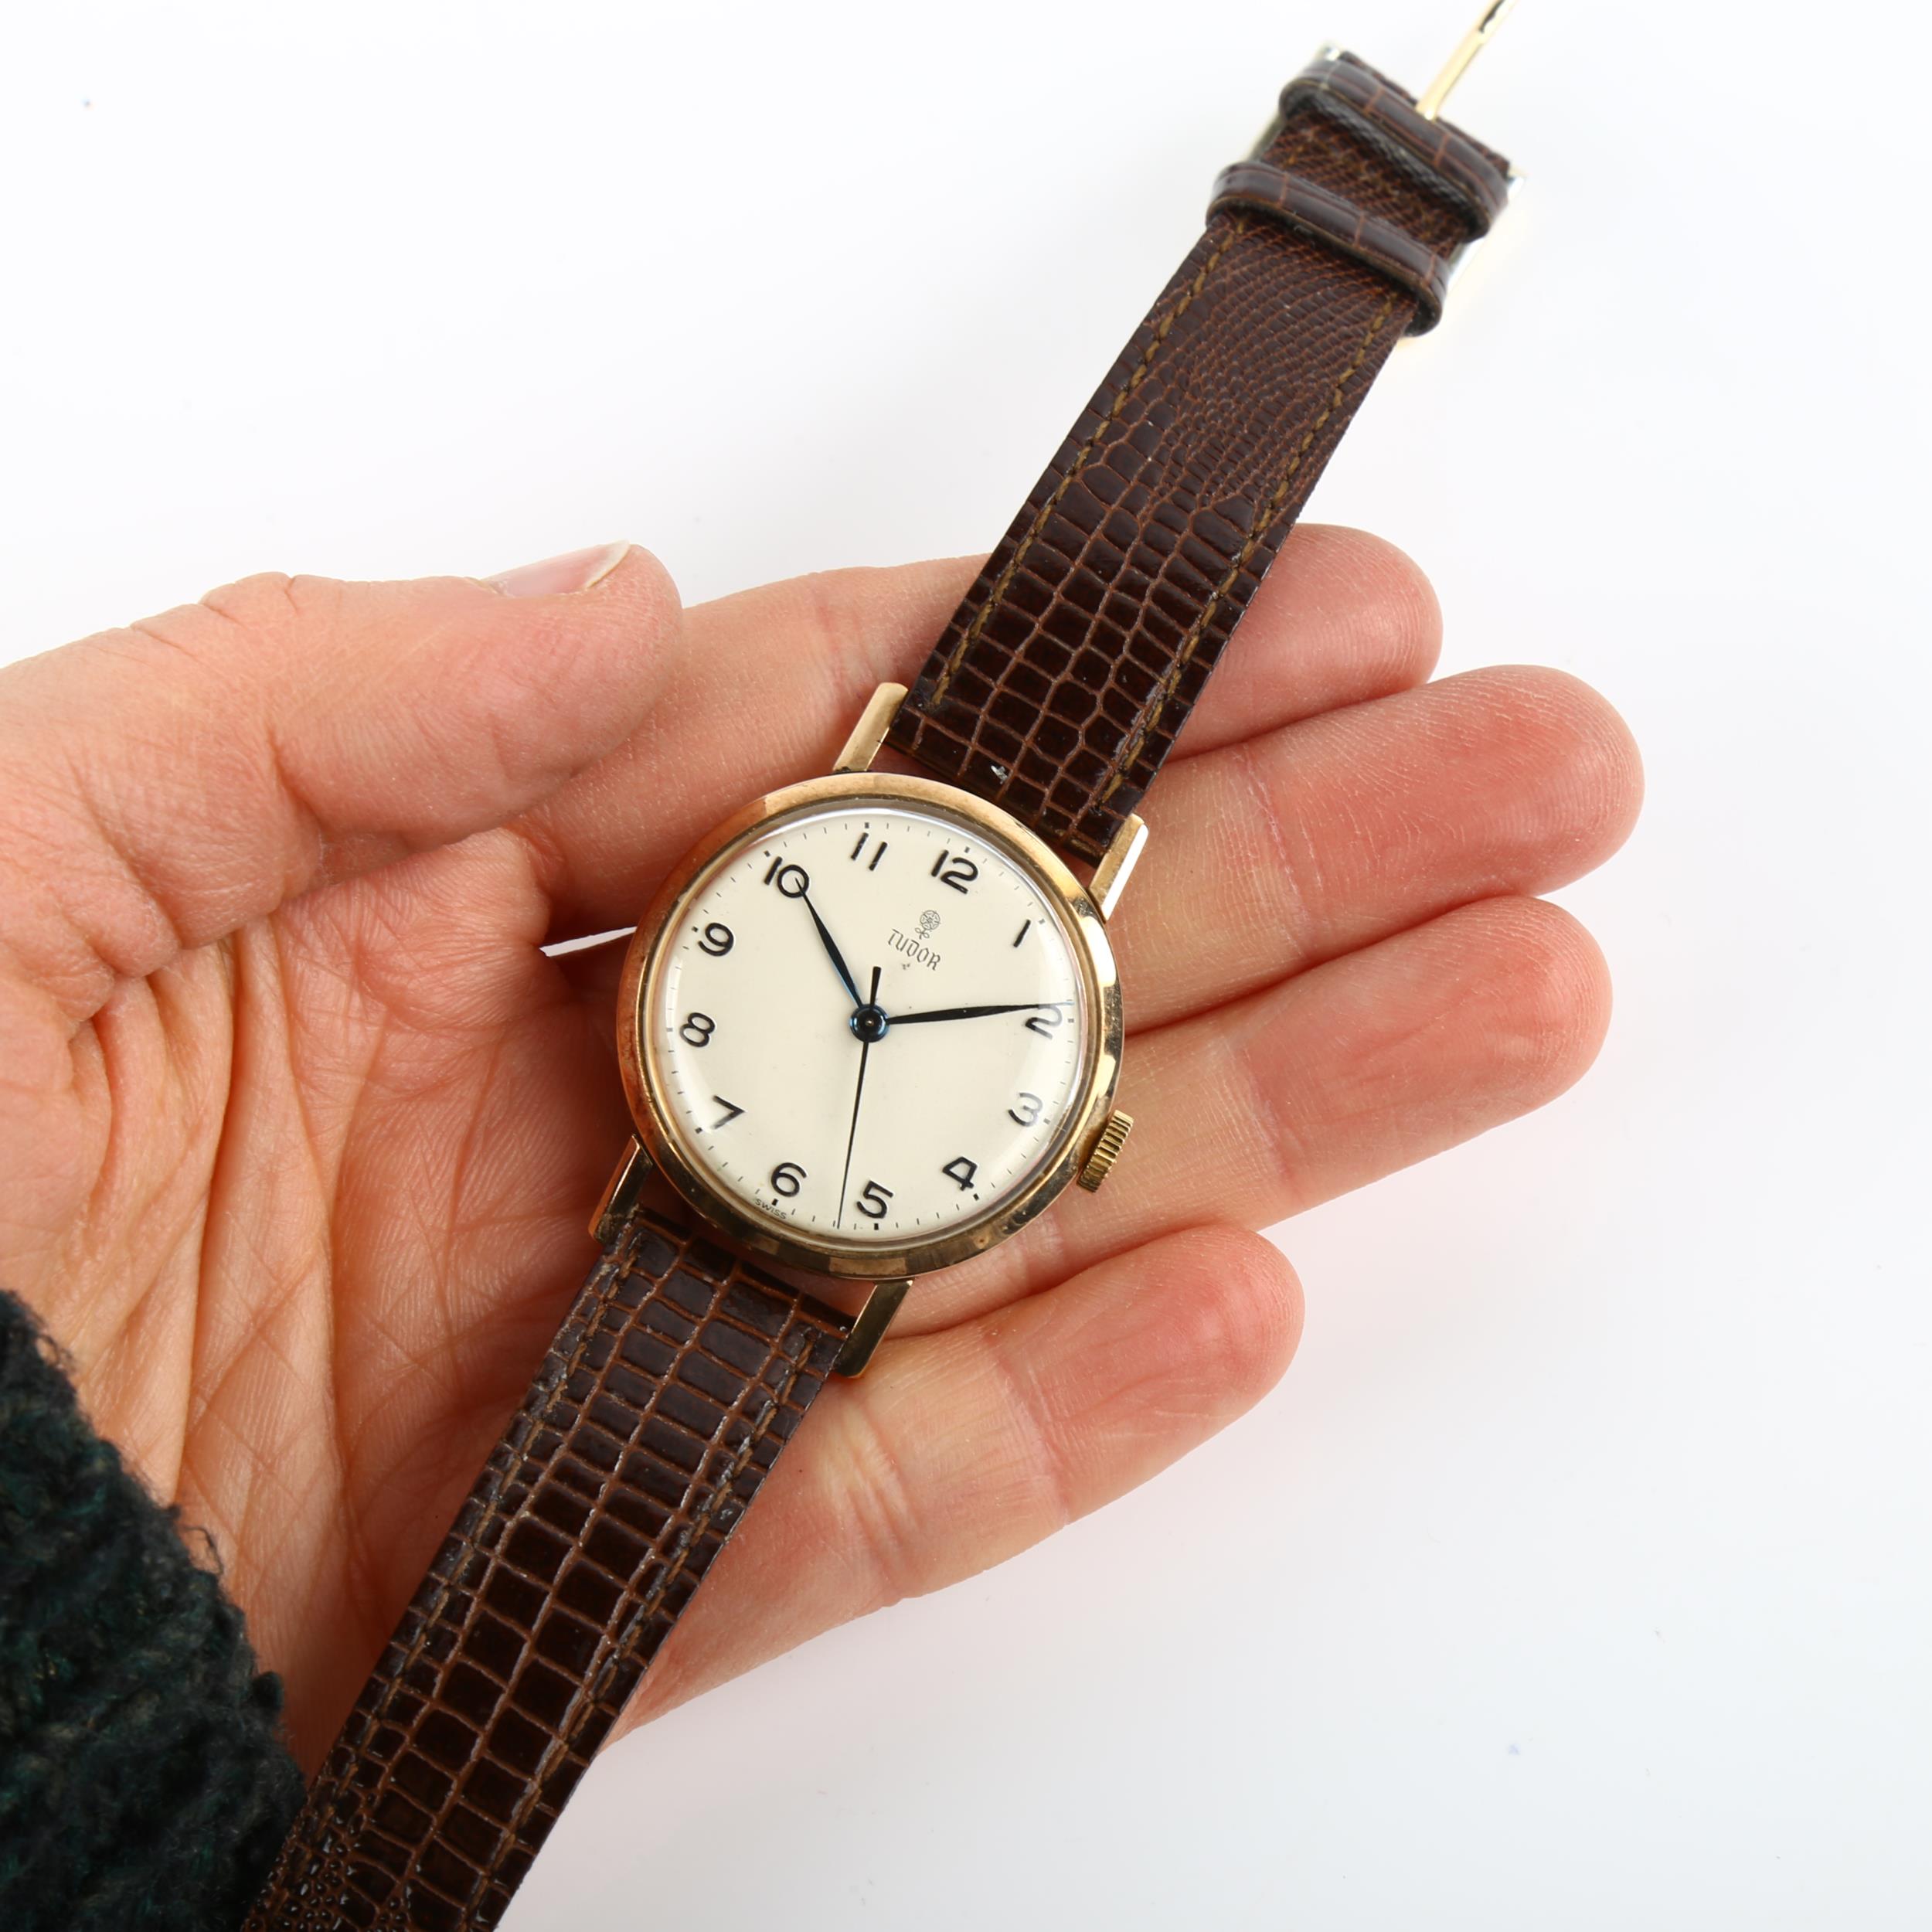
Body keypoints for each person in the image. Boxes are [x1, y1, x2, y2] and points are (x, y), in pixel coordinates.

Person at [0, 532, 1641, 1928]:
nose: (873, 1019)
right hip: (694, 1197)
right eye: (875, 1003)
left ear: (1078, 1137)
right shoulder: (721, 974)